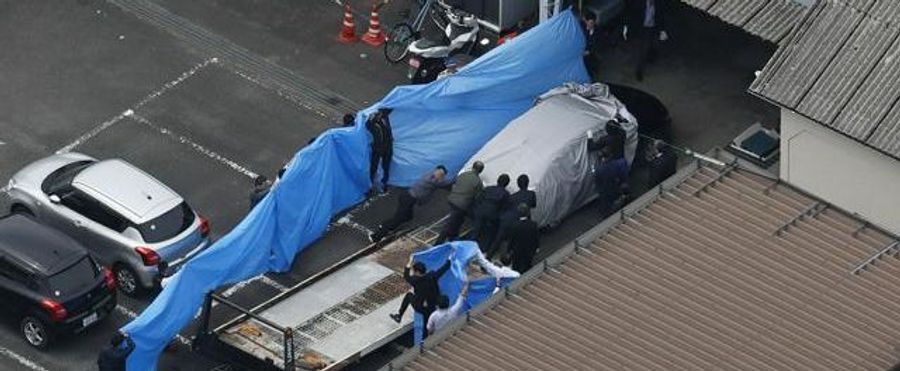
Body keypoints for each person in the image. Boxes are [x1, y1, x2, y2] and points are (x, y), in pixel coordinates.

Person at [370, 165, 450, 243]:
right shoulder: (432, 180)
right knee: (397, 219)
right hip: (408, 200)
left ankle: (386, 225)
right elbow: (445, 183)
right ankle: (376, 236)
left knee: (408, 216)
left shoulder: (430, 175)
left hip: (407, 197)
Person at [390, 253, 454, 327]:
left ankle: (399, 315)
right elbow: (443, 269)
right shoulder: (432, 275)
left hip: (422, 307)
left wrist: (410, 261)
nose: (413, 273)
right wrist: (449, 260)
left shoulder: (415, 281)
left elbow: (406, 275)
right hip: (434, 305)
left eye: (413, 271)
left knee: (409, 296)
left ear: (417, 272)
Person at [435, 161, 484, 244]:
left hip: (452, 199)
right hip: (461, 205)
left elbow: (455, 183)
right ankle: (438, 242)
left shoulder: (463, 174)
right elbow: (477, 197)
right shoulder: (478, 182)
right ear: (480, 171)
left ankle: (452, 237)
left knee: (457, 220)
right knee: (452, 223)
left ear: (473, 167)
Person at [490, 174, 536, 258]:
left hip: (507, 219)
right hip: (518, 222)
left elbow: (506, 207)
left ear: (518, 184)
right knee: (516, 241)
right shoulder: (531, 194)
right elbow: (533, 205)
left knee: (498, 239)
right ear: (528, 183)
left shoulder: (512, 196)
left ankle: (489, 256)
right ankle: (508, 257)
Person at [624, 0, 669, 81]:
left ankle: (651, 56)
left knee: (654, 44)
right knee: (643, 49)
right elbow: (631, 14)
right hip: (642, 28)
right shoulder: (639, 3)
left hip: (653, 27)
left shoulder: (659, 3)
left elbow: (662, 16)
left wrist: (663, 30)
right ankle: (639, 71)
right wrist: (627, 27)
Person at [469, 174, 510, 253]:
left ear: (497, 180)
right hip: (492, 216)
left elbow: (478, 199)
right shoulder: (506, 194)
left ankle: (469, 245)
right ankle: (483, 250)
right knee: (488, 234)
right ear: (506, 184)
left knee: (475, 230)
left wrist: (477, 209)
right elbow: (504, 208)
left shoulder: (488, 189)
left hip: (480, 212)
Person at [594, 145, 630, 218]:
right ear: (611, 155)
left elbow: (597, 181)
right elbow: (623, 176)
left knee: (606, 206)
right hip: (616, 188)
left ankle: (607, 215)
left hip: (605, 191)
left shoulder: (599, 169)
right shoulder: (618, 164)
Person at [367, 108, 394, 193]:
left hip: (387, 148)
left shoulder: (385, 119)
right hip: (378, 150)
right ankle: (370, 186)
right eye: (378, 115)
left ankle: (384, 184)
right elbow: (368, 124)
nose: (379, 116)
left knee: (386, 167)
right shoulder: (373, 124)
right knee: (374, 168)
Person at [507, 203, 540, 273]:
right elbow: (536, 237)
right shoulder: (533, 224)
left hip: (517, 250)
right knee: (527, 265)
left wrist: (509, 250)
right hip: (529, 249)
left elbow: (511, 239)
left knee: (516, 266)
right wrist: (537, 247)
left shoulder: (514, 225)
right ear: (528, 213)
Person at [580, 10, 602, 80]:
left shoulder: (598, 31)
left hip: (590, 53)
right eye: (589, 23)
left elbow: (598, 44)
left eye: (592, 23)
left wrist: (588, 52)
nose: (591, 25)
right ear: (586, 21)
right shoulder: (581, 28)